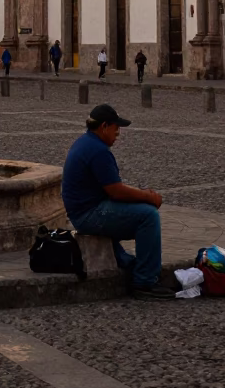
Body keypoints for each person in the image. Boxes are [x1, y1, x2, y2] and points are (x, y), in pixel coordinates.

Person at [62, 104, 174, 300]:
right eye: (116, 127)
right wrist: (148, 196)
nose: (118, 133)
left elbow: (112, 189)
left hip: (82, 209)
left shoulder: (86, 142)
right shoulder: (98, 151)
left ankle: (127, 262)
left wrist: (141, 195)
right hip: (89, 214)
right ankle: (145, 281)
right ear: (104, 126)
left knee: (137, 209)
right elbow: (116, 191)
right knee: (148, 216)